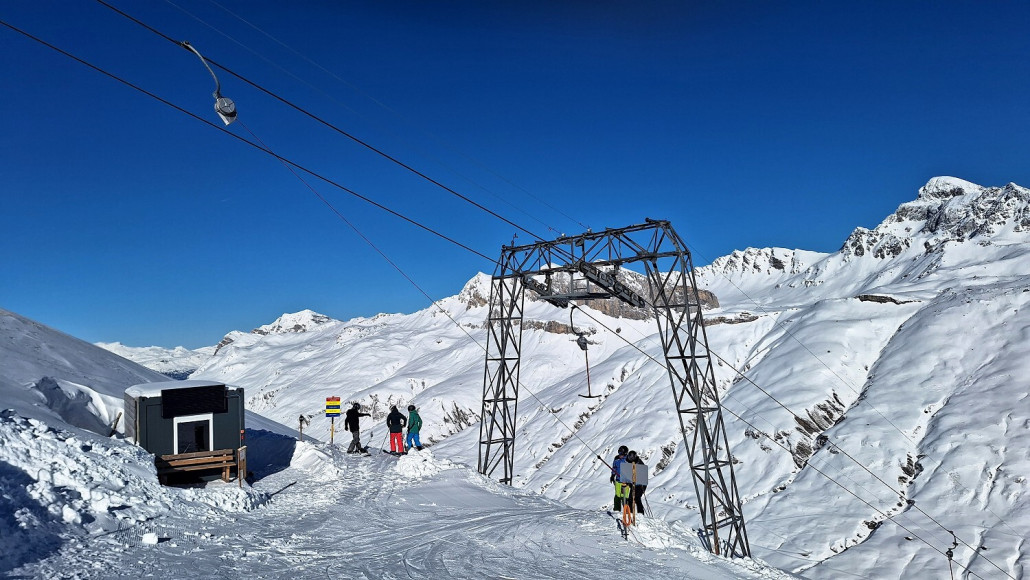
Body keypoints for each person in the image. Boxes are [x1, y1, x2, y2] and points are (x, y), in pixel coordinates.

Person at [618, 450, 648, 518]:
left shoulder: (639, 463)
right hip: (633, 484)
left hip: (640, 485)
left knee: (636, 498)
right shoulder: (628, 462)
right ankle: (632, 513)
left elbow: (643, 475)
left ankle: (639, 514)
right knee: (632, 499)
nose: (631, 459)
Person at [609, 445, 629, 511]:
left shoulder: (628, 460)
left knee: (625, 497)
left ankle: (626, 512)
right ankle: (617, 510)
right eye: (619, 453)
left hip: (626, 482)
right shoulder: (616, 460)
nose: (620, 455)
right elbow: (614, 468)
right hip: (618, 481)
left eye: (621, 454)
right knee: (617, 496)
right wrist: (612, 476)